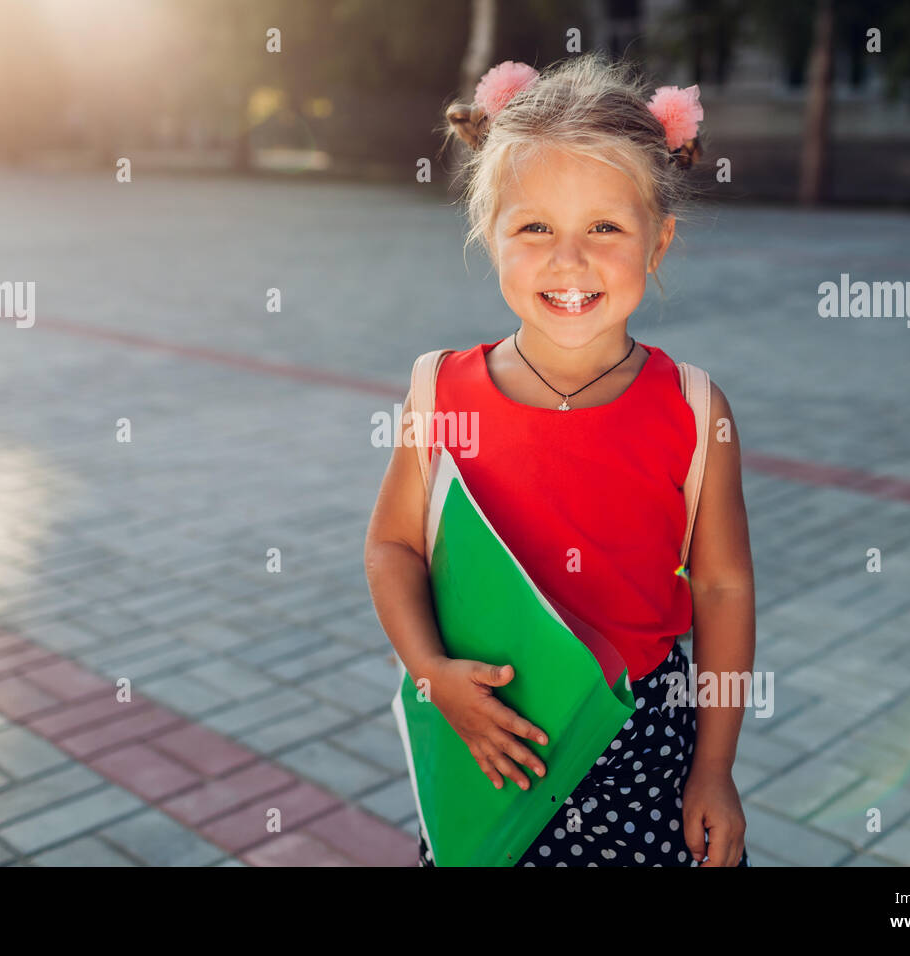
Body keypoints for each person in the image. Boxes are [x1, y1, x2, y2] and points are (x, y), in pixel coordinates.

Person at [364, 52, 754, 867]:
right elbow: (393, 547)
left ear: (659, 242)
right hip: (492, 734)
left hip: (646, 752)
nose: (567, 260)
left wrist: (714, 768)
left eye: (604, 228)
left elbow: (721, 587)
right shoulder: (440, 391)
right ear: (489, 232)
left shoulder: (694, 408)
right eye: (534, 226)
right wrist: (432, 672)